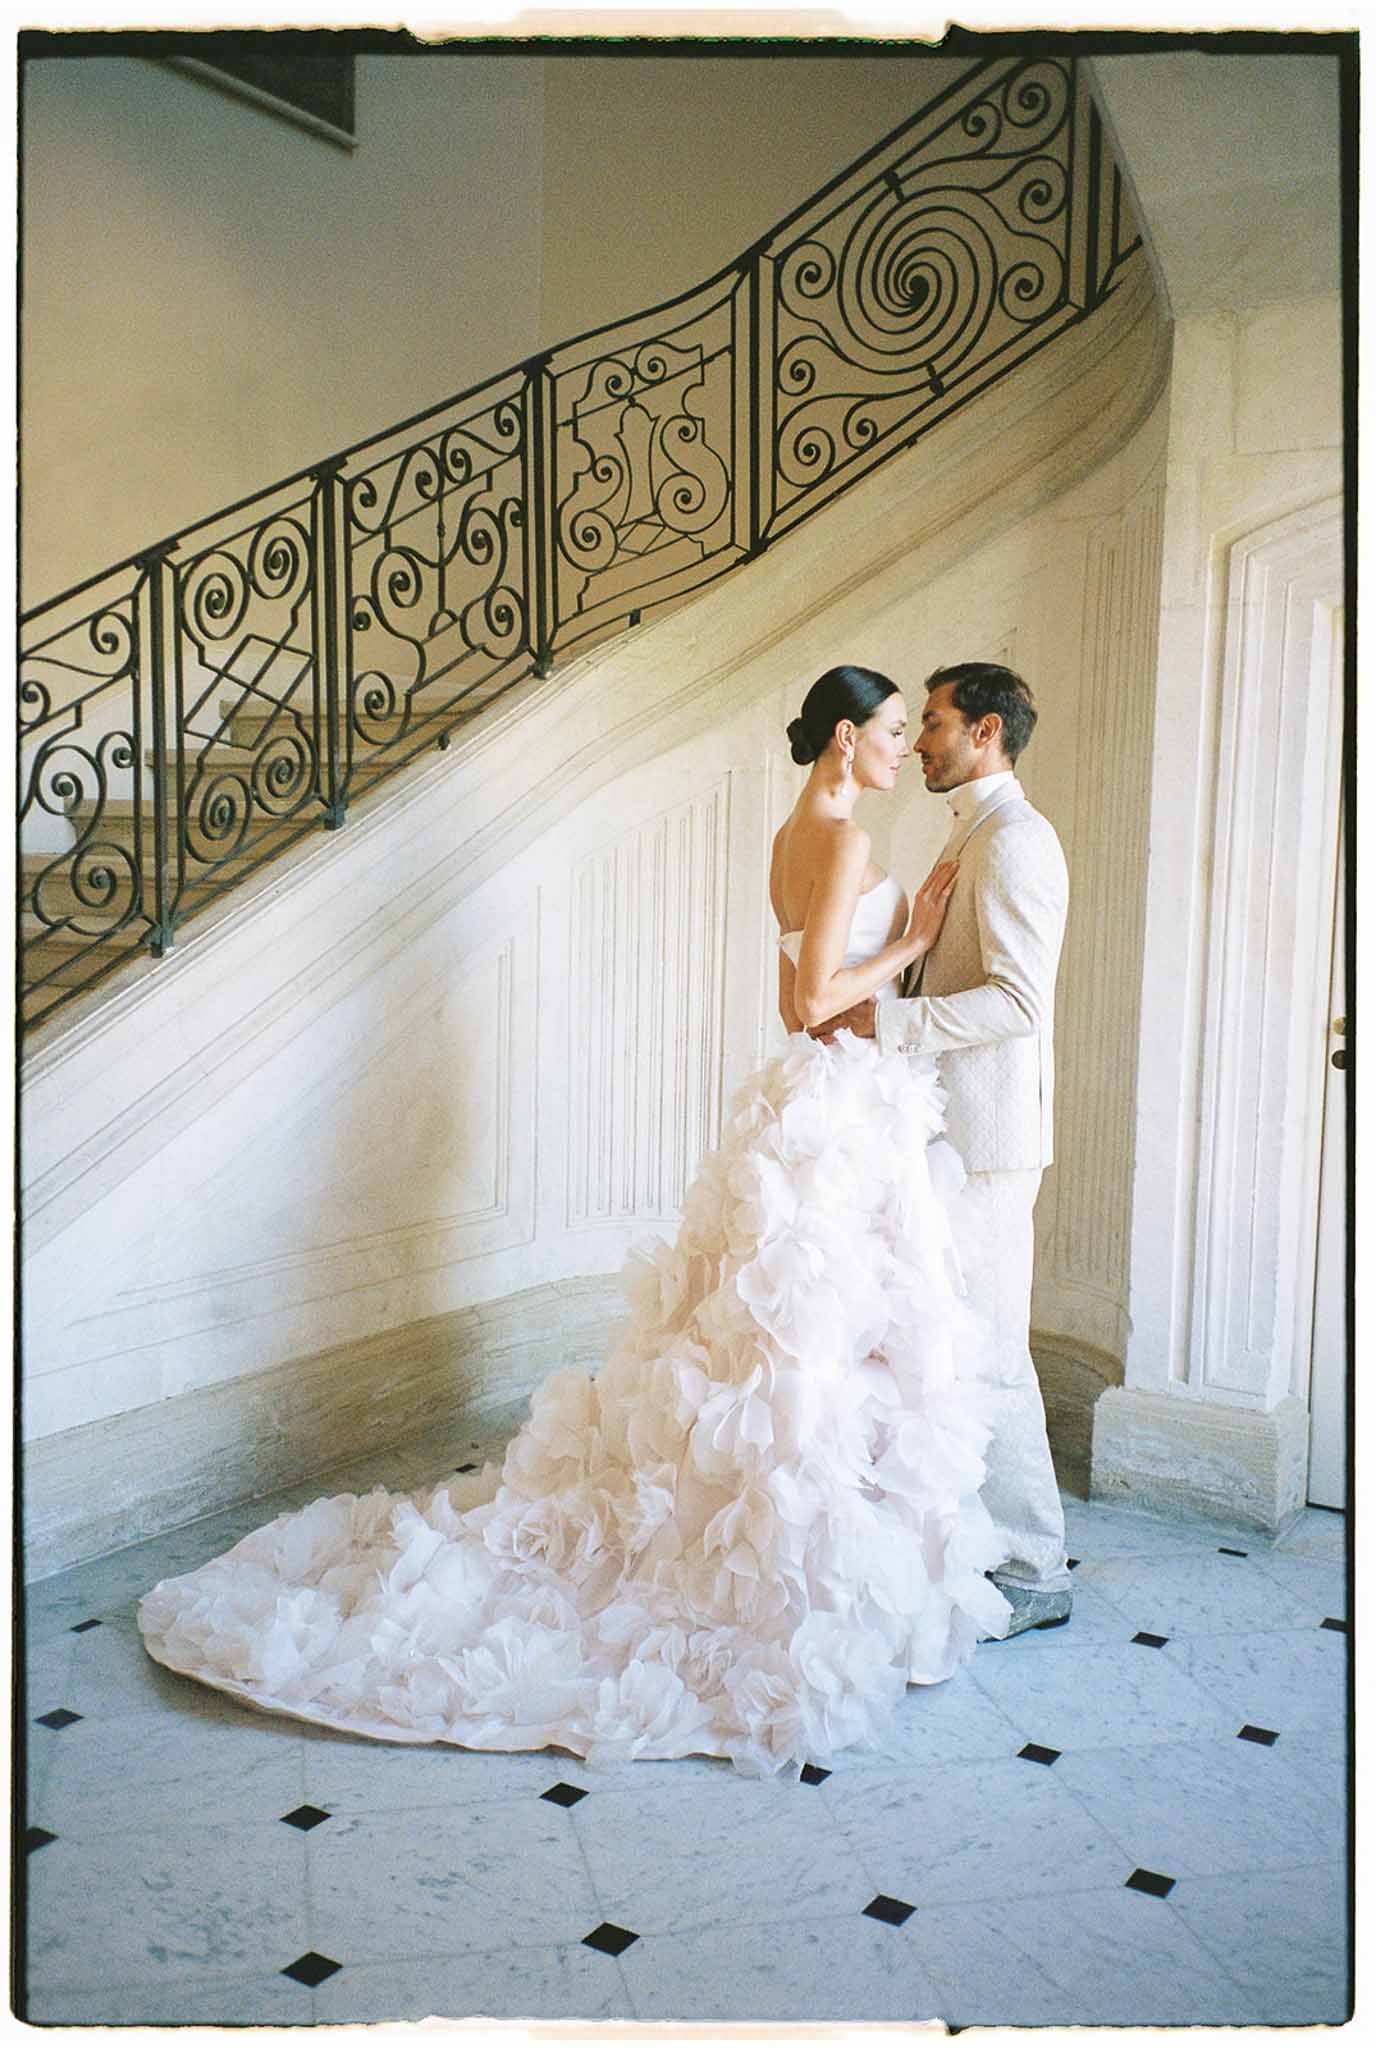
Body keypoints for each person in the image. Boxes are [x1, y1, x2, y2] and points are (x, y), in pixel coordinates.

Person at [137, 664, 1011, 1779]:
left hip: (813, 1102)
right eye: (890, 728)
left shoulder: (789, 835)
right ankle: (788, 1562)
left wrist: (874, 965)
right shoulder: (843, 840)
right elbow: (807, 1003)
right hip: (837, 1102)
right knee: (808, 1341)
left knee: (788, 1338)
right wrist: (909, 944)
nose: (901, 745)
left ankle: (777, 1530)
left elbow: (794, 987)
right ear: (845, 737)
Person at [828, 662, 1072, 1634]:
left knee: (994, 1350)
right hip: (948, 1132)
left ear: (983, 732)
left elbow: (1017, 1002)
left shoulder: (1015, 839)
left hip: (988, 1140)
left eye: (931, 722)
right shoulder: (973, 829)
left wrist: (886, 1024)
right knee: (949, 1345)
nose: (918, 740)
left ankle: (1035, 1566)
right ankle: (969, 1543)